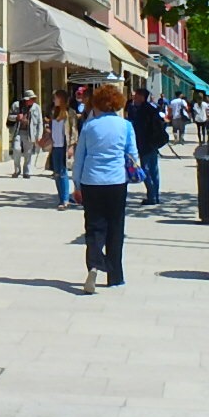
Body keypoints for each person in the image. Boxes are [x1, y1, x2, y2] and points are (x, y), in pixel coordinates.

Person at [72, 84, 139, 293]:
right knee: (116, 227)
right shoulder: (125, 126)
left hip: (91, 180)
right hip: (116, 181)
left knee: (94, 226)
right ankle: (115, 275)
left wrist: (76, 185)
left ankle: (94, 264)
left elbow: (79, 158)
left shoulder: (89, 127)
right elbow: (133, 155)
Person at [126, 86, 168, 204]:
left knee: (146, 170)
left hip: (145, 144)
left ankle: (151, 196)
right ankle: (155, 195)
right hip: (153, 143)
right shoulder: (152, 108)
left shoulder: (140, 111)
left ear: (141, 97)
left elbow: (139, 129)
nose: (134, 97)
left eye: (136, 95)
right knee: (154, 170)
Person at [46, 89, 78, 209]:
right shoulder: (53, 112)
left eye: (56, 97)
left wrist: (71, 146)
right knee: (56, 173)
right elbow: (52, 129)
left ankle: (65, 200)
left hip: (64, 146)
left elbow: (74, 131)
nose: (54, 100)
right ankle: (61, 198)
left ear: (62, 99)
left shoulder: (70, 113)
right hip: (55, 147)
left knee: (63, 173)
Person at [6, 89, 42, 178]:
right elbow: (9, 117)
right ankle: (17, 170)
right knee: (16, 149)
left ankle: (27, 171)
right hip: (17, 131)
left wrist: (39, 135)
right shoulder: (16, 105)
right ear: (26, 99)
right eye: (31, 99)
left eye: (33, 99)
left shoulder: (36, 108)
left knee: (28, 153)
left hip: (30, 133)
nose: (33, 100)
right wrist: (17, 117)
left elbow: (40, 122)